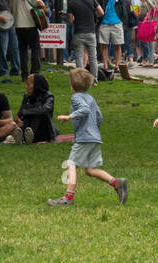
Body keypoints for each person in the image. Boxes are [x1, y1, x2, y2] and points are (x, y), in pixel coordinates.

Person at [48, 68, 127, 206]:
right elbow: (99, 117)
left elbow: (84, 110)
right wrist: (94, 131)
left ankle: (68, 198)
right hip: (95, 138)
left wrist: (69, 116)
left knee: (71, 164)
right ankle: (117, 183)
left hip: (84, 138)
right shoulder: (91, 98)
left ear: (72, 86)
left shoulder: (76, 97)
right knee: (90, 170)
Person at [10, 0, 46, 79]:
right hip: (30, 25)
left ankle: (24, 74)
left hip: (18, 26)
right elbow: (41, 4)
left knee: (22, 51)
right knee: (35, 49)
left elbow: (10, 8)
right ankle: (35, 72)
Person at [66, 0, 102, 81]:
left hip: (78, 33)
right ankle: (94, 79)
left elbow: (70, 20)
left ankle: (80, 80)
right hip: (90, 32)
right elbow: (101, 12)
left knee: (79, 58)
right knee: (93, 58)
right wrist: (93, 16)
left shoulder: (71, 2)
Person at [97, 0, 129, 77]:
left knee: (118, 45)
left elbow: (124, 10)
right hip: (105, 24)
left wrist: (123, 22)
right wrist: (100, 20)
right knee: (104, 45)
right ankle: (106, 65)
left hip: (117, 23)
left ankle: (117, 65)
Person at [15, 73, 58, 143]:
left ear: (36, 86)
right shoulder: (26, 97)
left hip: (43, 127)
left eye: (28, 85)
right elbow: (21, 112)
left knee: (37, 114)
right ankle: (23, 136)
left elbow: (45, 109)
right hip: (28, 124)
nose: (26, 87)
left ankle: (29, 136)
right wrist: (18, 119)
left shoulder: (49, 97)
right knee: (26, 116)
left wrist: (25, 112)